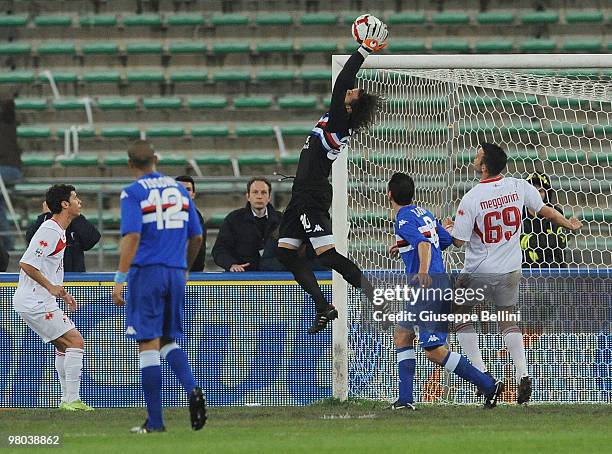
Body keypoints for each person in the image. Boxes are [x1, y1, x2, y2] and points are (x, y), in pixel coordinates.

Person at [445, 143, 582, 404]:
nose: (474, 158)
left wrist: (448, 229)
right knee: (507, 320)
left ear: (484, 166)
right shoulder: (519, 186)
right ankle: (523, 373)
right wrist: (570, 224)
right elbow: (546, 211)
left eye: (477, 156)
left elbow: (459, 242)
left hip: (479, 271)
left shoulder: (472, 198)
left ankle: (482, 376)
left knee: (460, 315)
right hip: (510, 269)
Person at [276, 16, 388, 334]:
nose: (349, 91)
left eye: (353, 94)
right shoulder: (335, 118)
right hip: (302, 193)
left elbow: (341, 81)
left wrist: (364, 49)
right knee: (284, 252)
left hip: (311, 194)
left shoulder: (340, 120)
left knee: (326, 255)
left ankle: (375, 297)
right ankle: (323, 305)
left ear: (351, 107)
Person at [385, 173, 504, 409]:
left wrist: (423, 271)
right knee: (402, 334)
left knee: (433, 350)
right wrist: (402, 246)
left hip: (429, 287)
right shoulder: (423, 213)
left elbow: (424, 244)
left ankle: (488, 385)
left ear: (389, 194)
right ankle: (405, 400)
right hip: (428, 288)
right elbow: (445, 241)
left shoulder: (403, 220)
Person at [111, 140, 206, 433]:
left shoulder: (133, 192)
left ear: (130, 165)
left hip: (147, 272)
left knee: (147, 343)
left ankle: (155, 421)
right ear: (156, 159)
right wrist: (185, 269)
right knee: (168, 338)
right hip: (176, 272)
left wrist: (120, 278)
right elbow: (198, 236)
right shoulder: (179, 189)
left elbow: (132, 236)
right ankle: (192, 388)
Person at [12, 184, 93, 411]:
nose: (80, 202)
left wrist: (62, 292)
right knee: (76, 342)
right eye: (75, 198)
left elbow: (48, 268)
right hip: (34, 300)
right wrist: (50, 287)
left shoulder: (58, 231)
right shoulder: (50, 229)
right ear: (65, 204)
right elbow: (26, 263)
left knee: (65, 346)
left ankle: (67, 400)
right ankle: (71, 399)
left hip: (39, 299)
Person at [212, 177, 284, 272]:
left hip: (275, 277)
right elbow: (220, 250)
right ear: (248, 196)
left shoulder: (281, 220)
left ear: (269, 197)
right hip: (241, 278)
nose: (259, 196)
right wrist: (231, 265)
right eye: (255, 192)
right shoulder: (233, 219)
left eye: (263, 192)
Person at [26, 201, 101, 272]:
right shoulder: (45, 221)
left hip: (74, 278)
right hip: (48, 279)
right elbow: (30, 239)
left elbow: (92, 239)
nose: (79, 201)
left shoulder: (76, 220)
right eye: (74, 198)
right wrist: (46, 215)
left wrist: (73, 215)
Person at [520, 171, 568, 268]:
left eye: (541, 191)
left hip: (554, 272)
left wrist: (530, 240)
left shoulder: (556, 212)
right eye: (533, 190)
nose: (536, 194)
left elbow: (559, 241)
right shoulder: (519, 214)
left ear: (547, 194)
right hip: (525, 273)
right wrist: (546, 240)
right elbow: (517, 242)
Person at [0, 97, 23, 250]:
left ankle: (8, 242)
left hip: (6, 170)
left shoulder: (7, 124)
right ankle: (8, 243)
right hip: (13, 170)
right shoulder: (10, 124)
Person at [175, 175, 206, 271]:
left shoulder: (196, 217)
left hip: (190, 275)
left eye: (187, 189)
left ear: (193, 194)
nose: (184, 193)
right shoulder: (163, 216)